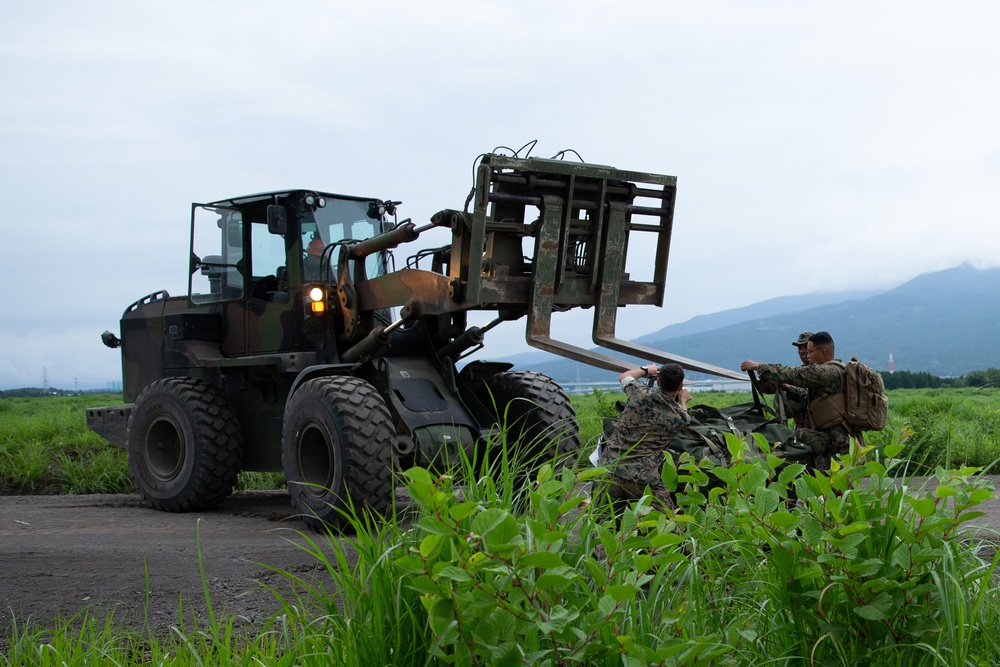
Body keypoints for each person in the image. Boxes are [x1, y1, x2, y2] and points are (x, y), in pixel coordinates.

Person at [741, 331, 852, 472]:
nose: (806, 354)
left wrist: (758, 366)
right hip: (823, 441)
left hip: (837, 445)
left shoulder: (826, 372)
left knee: (836, 485)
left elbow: (792, 374)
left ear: (823, 352)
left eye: (810, 351)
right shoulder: (825, 370)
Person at [597, 362, 692, 509]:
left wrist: (646, 370)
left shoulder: (638, 392)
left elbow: (624, 376)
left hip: (609, 470)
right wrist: (683, 400)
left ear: (658, 381)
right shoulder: (679, 417)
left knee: (601, 522)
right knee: (664, 524)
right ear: (680, 387)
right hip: (644, 479)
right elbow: (685, 415)